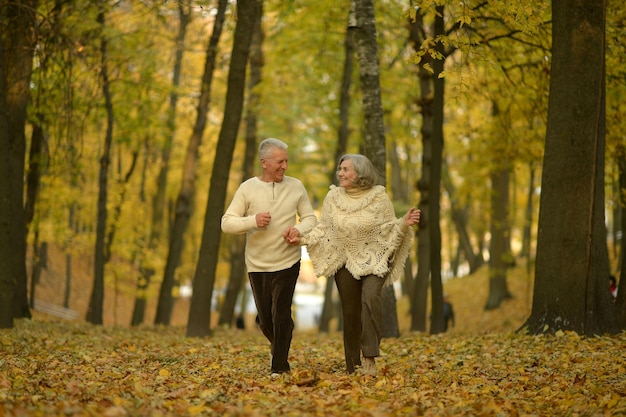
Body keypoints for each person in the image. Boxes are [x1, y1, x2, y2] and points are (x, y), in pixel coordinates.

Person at [285, 154, 420, 376]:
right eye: (340, 169)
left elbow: (388, 229)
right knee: (350, 312)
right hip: (344, 259)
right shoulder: (333, 197)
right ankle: (352, 364)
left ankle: (369, 357)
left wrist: (403, 223)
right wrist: (302, 240)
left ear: (360, 172)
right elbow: (324, 229)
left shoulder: (378, 197)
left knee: (370, 299)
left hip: (374, 259)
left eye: (346, 169)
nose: (340, 173)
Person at [221, 138, 317, 376]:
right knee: (265, 321)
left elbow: (310, 219)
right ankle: (279, 343)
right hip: (257, 263)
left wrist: (299, 230)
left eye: (286, 161)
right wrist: (253, 221)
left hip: (288, 260)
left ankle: (280, 367)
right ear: (264, 163)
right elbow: (227, 223)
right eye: (279, 161)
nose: (285, 166)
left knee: (281, 314)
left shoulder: (296, 186)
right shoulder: (247, 188)